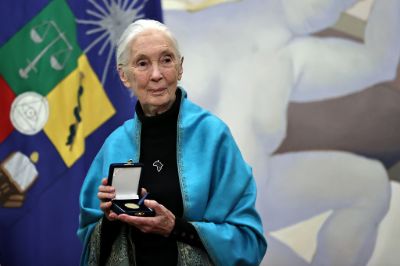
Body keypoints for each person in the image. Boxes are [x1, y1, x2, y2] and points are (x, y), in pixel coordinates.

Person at [77, 19, 267, 266]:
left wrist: (175, 227)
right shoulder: (114, 145)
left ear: (180, 68)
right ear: (124, 75)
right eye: (142, 63)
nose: (156, 75)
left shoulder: (213, 136)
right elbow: (90, 248)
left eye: (166, 60)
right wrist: (111, 218)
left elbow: (248, 240)